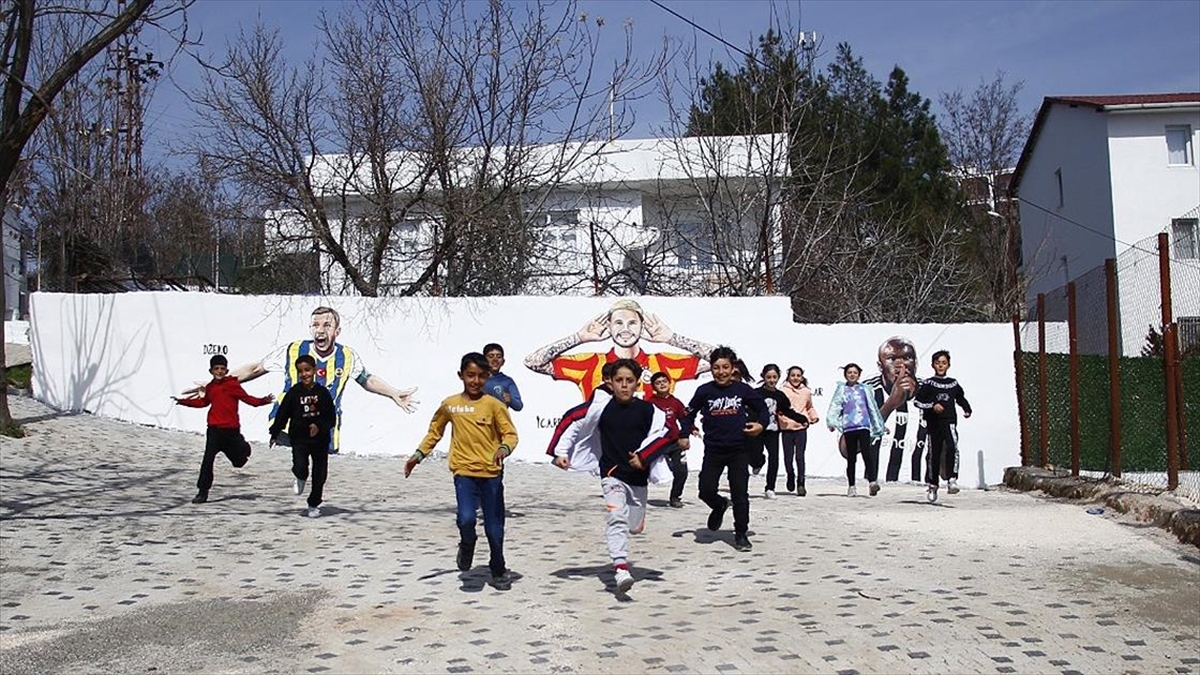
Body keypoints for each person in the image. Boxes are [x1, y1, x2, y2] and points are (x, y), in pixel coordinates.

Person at [187, 306, 418, 454]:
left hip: (325, 426)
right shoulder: (293, 350)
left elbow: (366, 379)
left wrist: (393, 393)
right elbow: (256, 367)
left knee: (319, 470)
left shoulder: (346, 356)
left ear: (337, 330)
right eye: (316, 325)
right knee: (300, 459)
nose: (320, 330)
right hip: (291, 423)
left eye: (327, 325)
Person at [553, 359, 674, 594]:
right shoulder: (601, 408)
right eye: (619, 380)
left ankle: (636, 522)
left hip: (638, 478)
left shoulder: (648, 410)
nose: (624, 386)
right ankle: (620, 567)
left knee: (634, 525)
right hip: (611, 474)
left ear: (638, 384)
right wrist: (560, 452)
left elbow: (668, 431)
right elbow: (573, 422)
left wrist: (643, 457)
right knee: (616, 516)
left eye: (629, 381)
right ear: (610, 382)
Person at [406, 352, 518, 590]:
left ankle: (498, 567)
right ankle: (467, 543)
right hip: (464, 472)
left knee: (494, 526)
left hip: (491, 474)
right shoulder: (451, 405)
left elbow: (510, 434)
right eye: (470, 376)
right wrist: (418, 455)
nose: (475, 381)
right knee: (466, 518)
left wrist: (504, 448)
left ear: (487, 377)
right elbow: (434, 432)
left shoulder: (495, 405)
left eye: (480, 376)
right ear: (461, 376)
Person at [524, 298, 716, 399]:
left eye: (632, 323)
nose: (625, 329)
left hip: (652, 452)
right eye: (618, 323)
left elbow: (720, 360)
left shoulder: (661, 362)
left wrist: (672, 338)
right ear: (609, 326)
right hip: (611, 452)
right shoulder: (591, 363)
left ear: (642, 326)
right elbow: (533, 362)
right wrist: (579, 338)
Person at [680, 346, 767, 552]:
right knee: (705, 490)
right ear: (711, 369)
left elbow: (762, 408)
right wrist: (683, 434)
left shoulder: (743, 390)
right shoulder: (704, 391)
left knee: (740, 494)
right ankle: (719, 505)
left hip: (739, 449)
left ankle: (741, 534)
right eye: (716, 368)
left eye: (725, 367)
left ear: (732, 368)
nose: (721, 372)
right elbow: (688, 414)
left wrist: (760, 425)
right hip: (714, 450)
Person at [172, 354, 274, 504]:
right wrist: (183, 402)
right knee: (207, 460)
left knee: (239, 462)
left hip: (231, 431)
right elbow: (203, 403)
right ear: (211, 371)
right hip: (214, 431)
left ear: (226, 370)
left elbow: (248, 399)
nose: (219, 371)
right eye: (216, 369)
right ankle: (202, 492)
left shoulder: (232, 385)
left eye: (222, 369)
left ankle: (244, 447)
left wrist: (263, 401)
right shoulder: (211, 387)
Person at [269, 355, 337, 517]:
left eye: (307, 370)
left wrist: (318, 426)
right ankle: (300, 477)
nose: (304, 374)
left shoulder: (323, 393)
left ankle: (313, 504)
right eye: (301, 372)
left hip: (320, 441)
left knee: (320, 474)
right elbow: (283, 413)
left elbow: (331, 417)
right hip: (299, 438)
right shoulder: (294, 392)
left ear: (314, 370)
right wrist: (275, 433)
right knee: (300, 466)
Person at [865, 336, 929, 483]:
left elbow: (945, 468)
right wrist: (890, 404)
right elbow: (847, 448)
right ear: (880, 366)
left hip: (919, 491)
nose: (901, 365)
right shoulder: (867, 391)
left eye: (907, 358)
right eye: (892, 359)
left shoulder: (929, 391)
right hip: (874, 489)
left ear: (916, 363)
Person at [913, 350, 972, 503]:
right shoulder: (928, 383)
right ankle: (933, 485)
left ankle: (952, 479)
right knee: (934, 454)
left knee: (952, 447)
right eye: (938, 363)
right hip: (933, 424)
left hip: (949, 421)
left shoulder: (953, 383)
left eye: (944, 363)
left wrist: (967, 409)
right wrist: (933, 406)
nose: (941, 365)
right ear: (933, 364)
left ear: (948, 365)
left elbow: (960, 398)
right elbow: (918, 402)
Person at [754, 364, 813, 499]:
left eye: (774, 377)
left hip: (773, 431)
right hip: (758, 430)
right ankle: (758, 462)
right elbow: (749, 409)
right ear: (763, 377)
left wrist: (801, 419)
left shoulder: (780, 395)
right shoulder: (756, 393)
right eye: (768, 377)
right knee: (755, 455)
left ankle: (770, 487)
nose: (771, 380)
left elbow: (787, 411)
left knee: (774, 459)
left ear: (778, 378)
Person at [826, 363, 885, 498]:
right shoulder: (842, 389)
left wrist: (879, 426)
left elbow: (873, 409)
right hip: (849, 427)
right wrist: (832, 422)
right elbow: (835, 406)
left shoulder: (865, 389)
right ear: (845, 375)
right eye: (849, 373)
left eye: (855, 373)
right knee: (851, 458)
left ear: (859, 375)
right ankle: (851, 486)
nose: (852, 375)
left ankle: (872, 482)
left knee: (867, 455)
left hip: (863, 426)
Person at [647, 371, 689, 508]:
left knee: (682, 471)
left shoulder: (676, 402)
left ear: (669, 383)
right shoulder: (649, 403)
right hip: (657, 442)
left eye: (664, 381)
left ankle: (675, 497)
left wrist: (690, 431)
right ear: (653, 387)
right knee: (643, 469)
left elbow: (684, 419)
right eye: (658, 383)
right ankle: (636, 495)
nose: (662, 384)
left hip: (675, 442)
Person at [779, 365, 820, 496]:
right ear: (788, 376)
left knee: (800, 456)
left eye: (798, 375)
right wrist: (782, 420)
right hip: (787, 427)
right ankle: (790, 475)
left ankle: (801, 483)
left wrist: (813, 417)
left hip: (801, 427)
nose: (796, 378)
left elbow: (809, 407)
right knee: (788, 457)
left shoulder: (806, 392)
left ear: (802, 377)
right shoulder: (782, 391)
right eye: (793, 375)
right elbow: (779, 409)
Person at [483, 343, 523, 411]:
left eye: (498, 357)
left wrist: (510, 399)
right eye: (491, 356)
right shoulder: (478, 379)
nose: (495, 359)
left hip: (499, 419)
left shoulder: (507, 381)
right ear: (483, 360)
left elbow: (518, 405)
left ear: (503, 361)